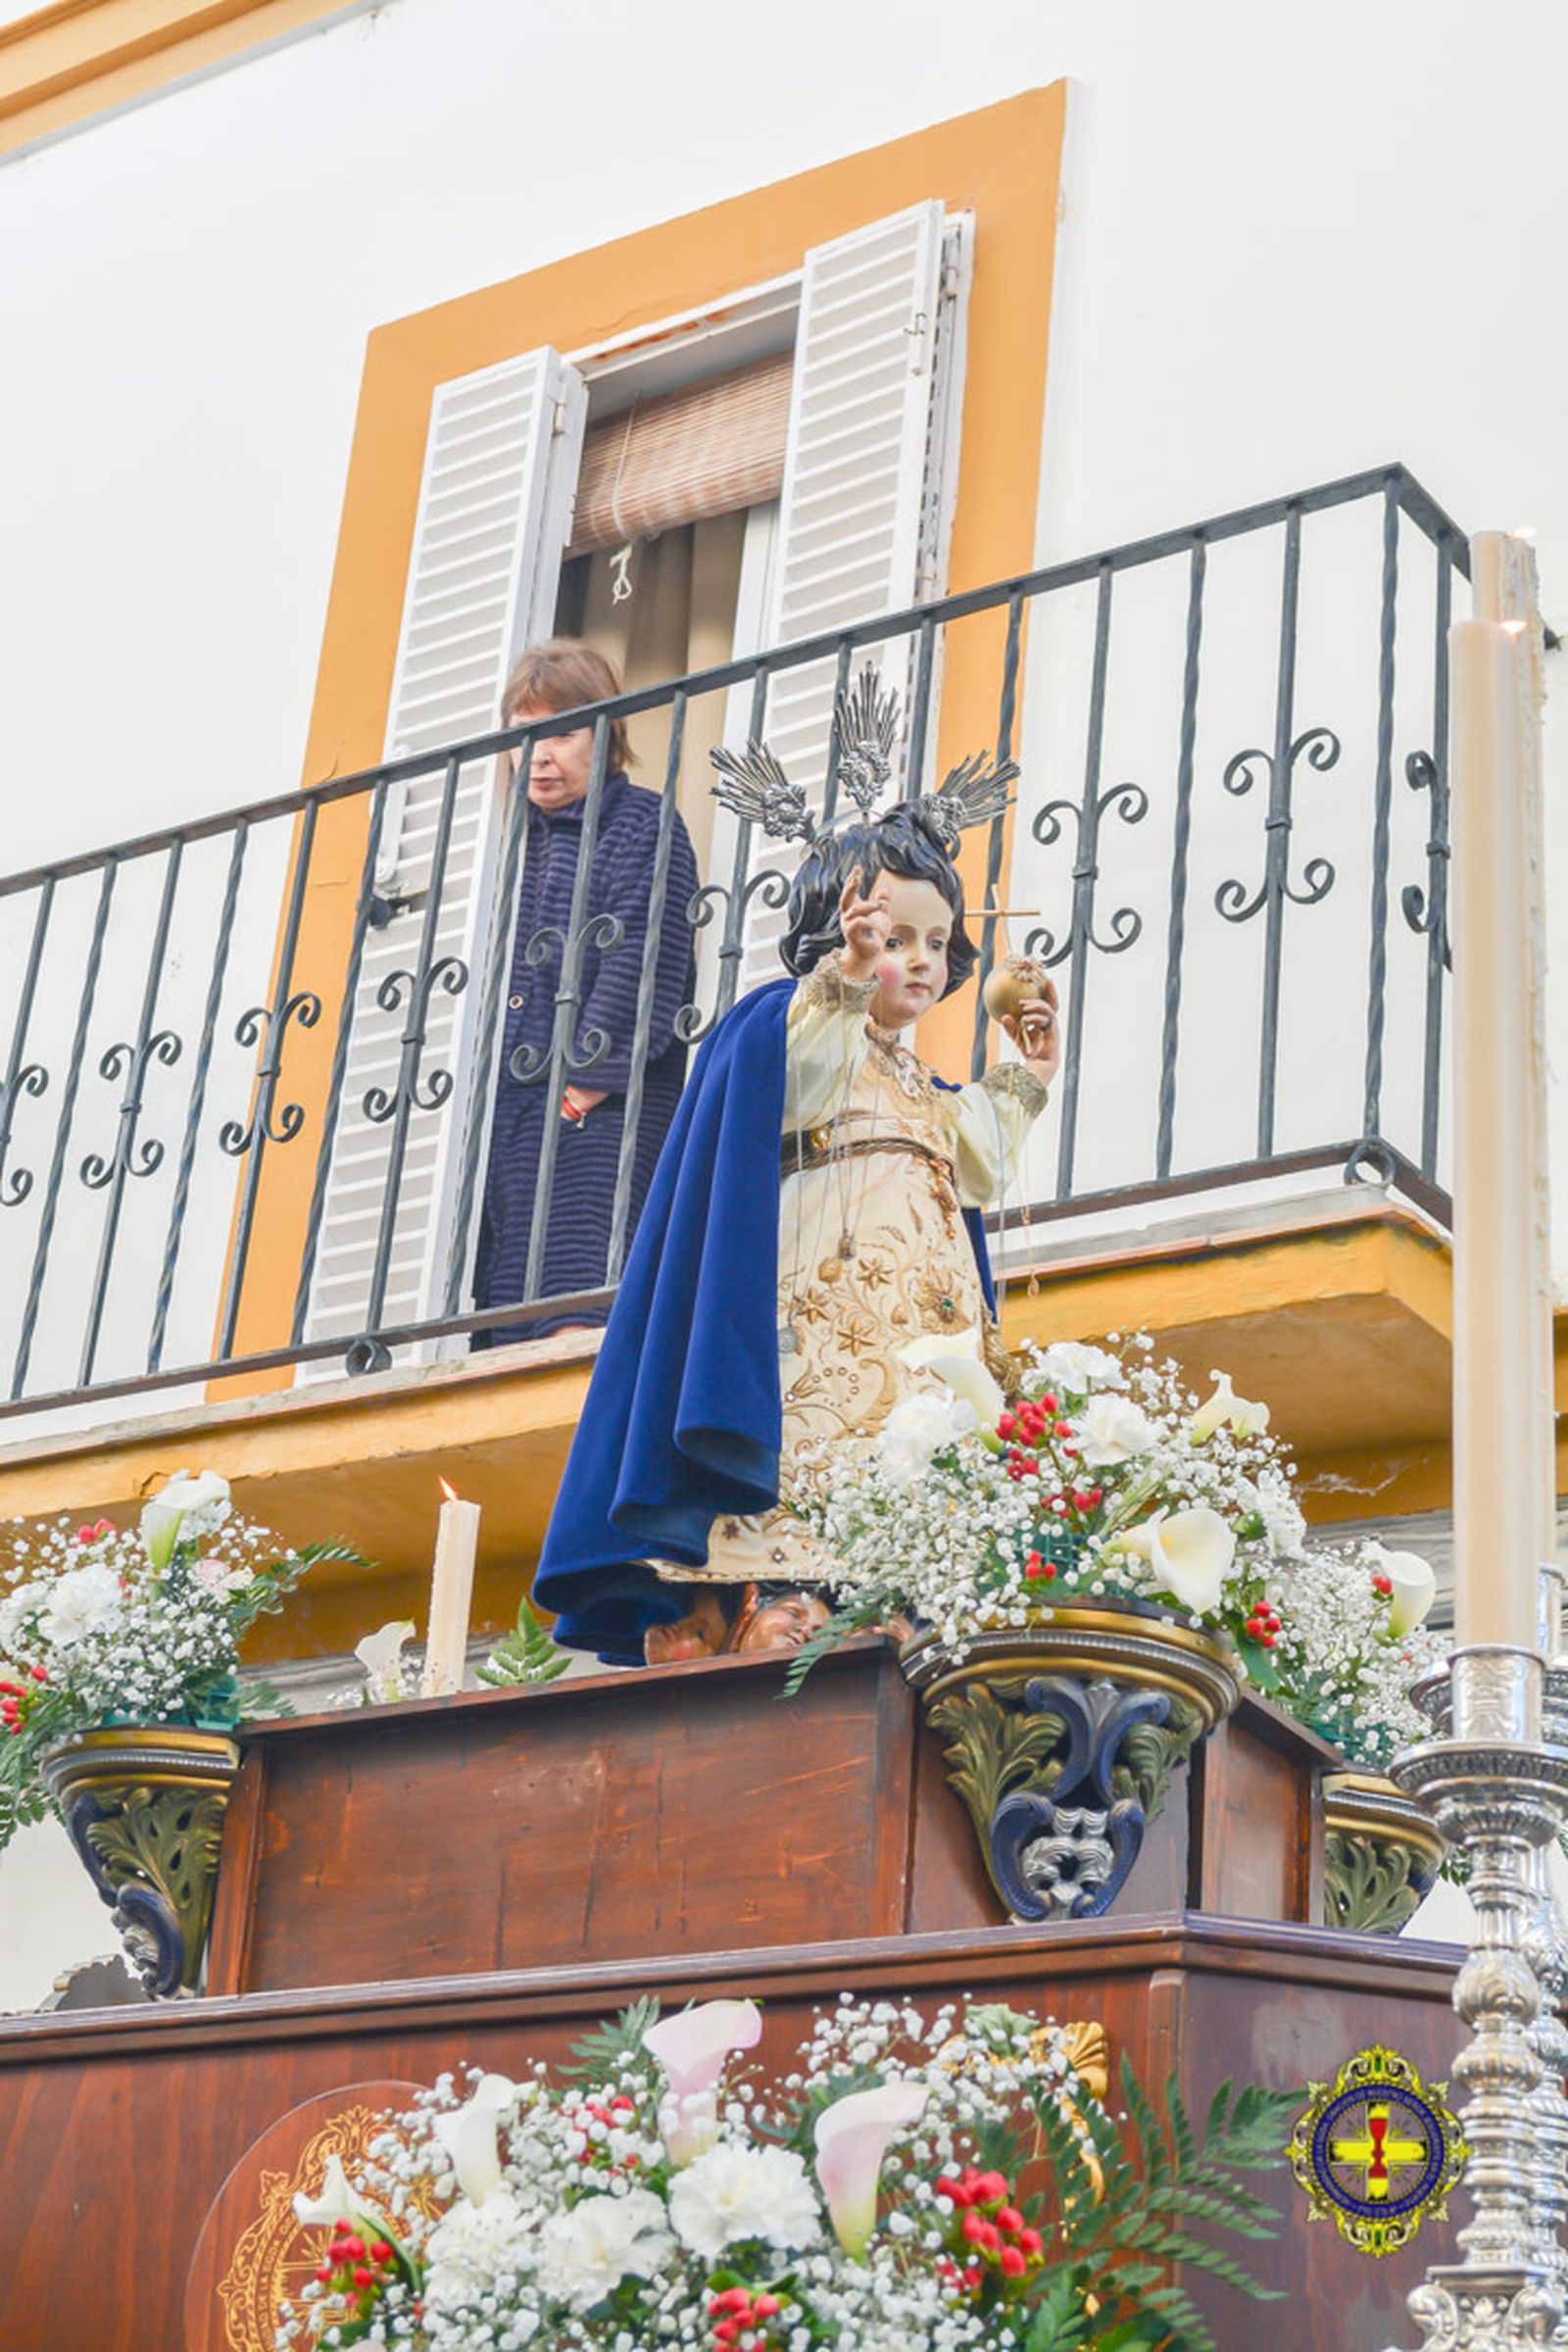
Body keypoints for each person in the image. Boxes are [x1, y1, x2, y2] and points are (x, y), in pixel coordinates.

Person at [534, 692, 1059, 1663]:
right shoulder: (787, 1020)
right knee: (816, 1492)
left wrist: (1023, 1076)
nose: (919, 959)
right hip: (811, 1332)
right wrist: (845, 980)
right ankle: (777, 1604)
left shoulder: (917, 1082)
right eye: (891, 933)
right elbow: (799, 1071)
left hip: (919, 1342)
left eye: (936, 942)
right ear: (834, 931)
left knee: (911, 1495)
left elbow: (974, 1153)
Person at [472, 640, 700, 1344]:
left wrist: (588, 1080)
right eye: (523, 732)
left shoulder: (640, 822)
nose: (538, 753)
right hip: (510, 1116)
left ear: (606, 738)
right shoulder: (505, 845)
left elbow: (645, 950)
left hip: (596, 1112)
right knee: (502, 1313)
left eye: (561, 732)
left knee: (579, 1311)